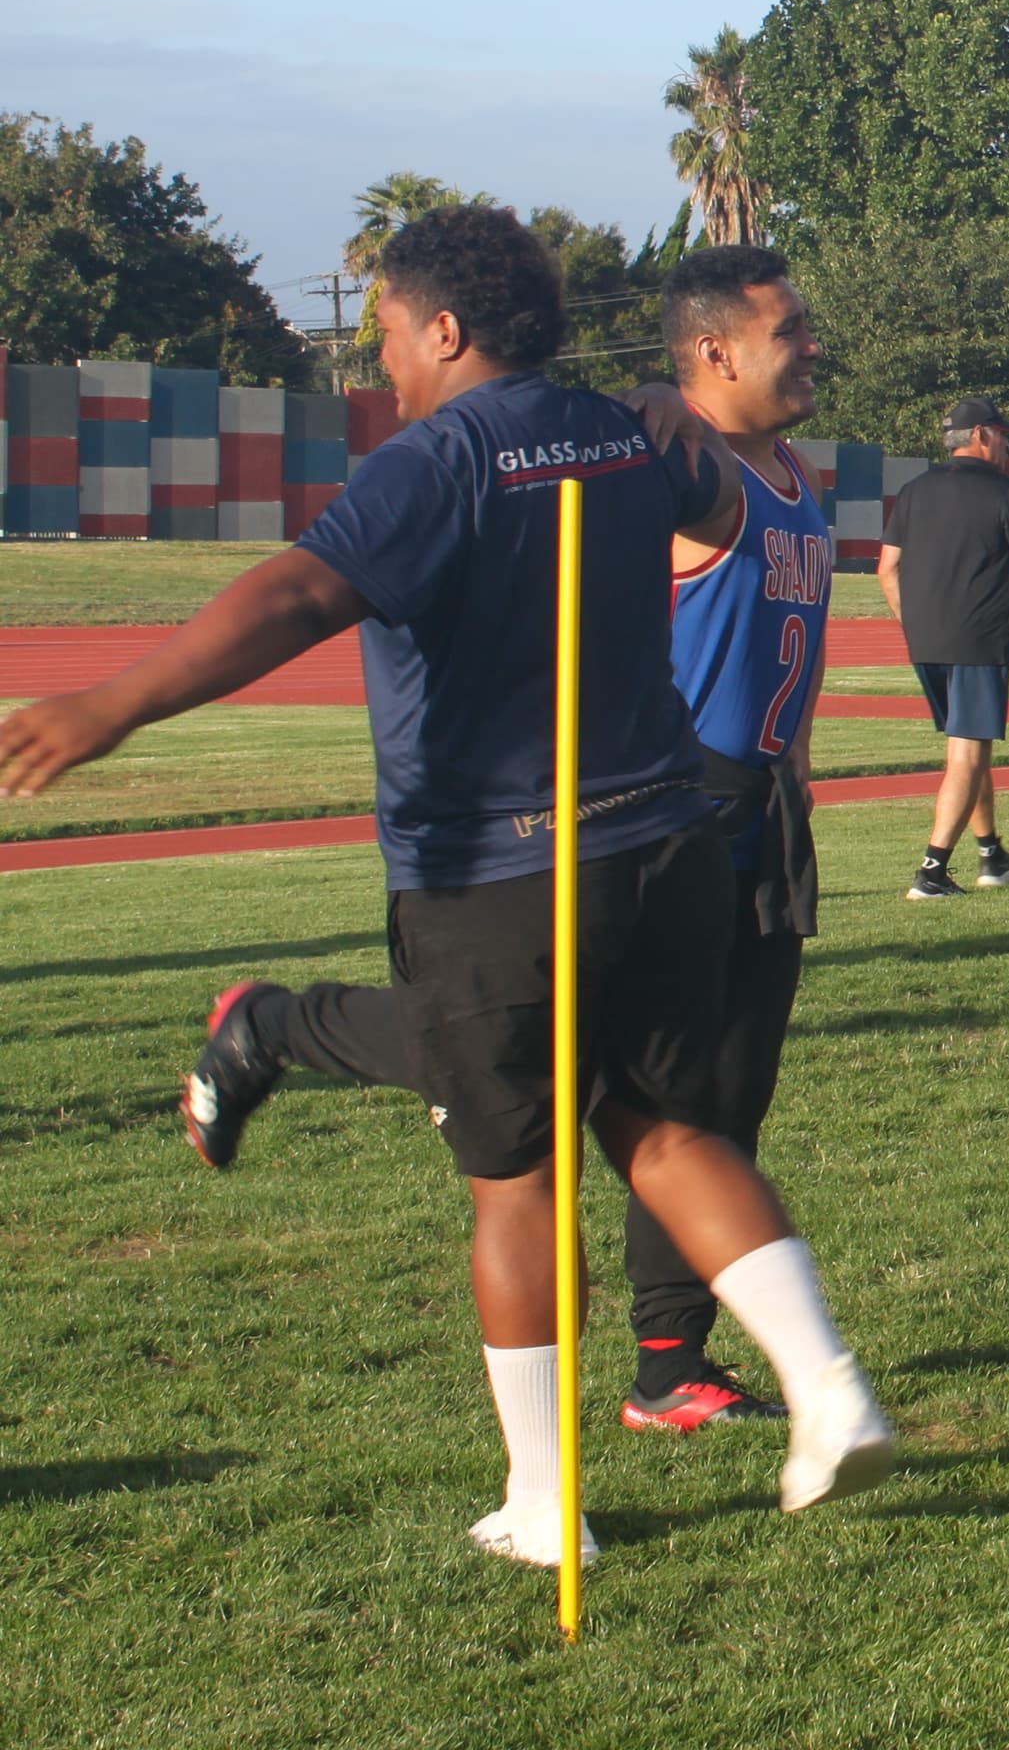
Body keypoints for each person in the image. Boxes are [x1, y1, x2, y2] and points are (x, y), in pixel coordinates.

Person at [0, 205, 892, 1566]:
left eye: (389, 335)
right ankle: (827, 1388)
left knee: (517, 1180)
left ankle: (544, 1501)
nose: (383, 364)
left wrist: (112, 704)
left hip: (498, 867)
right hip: (667, 845)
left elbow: (295, 595)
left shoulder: (440, 456)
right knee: (665, 1133)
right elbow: (719, 511)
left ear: (448, 328)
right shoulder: (638, 433)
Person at [183, 243, 850, 1437]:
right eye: (788, 329)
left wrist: (793, 771)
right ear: (713, 351)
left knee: (714, 1098)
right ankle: (273, 1026)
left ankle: (671, 1361)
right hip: (643, 807)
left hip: (757, 815)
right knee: (555, 1079)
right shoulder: (636, 463)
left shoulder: (788, 475)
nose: (812, 346)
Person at [876, 394, 1009, 898]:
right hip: (977, 640)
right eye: (1002, 434)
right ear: (980, 435)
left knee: (968, 746)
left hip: (926, 641)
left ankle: (991, 853)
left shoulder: (913, 491)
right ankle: (931, 872)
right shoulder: (1003, 492)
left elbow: (887, 569)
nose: (1006, 445)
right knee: (967, 755)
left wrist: (913, 623)